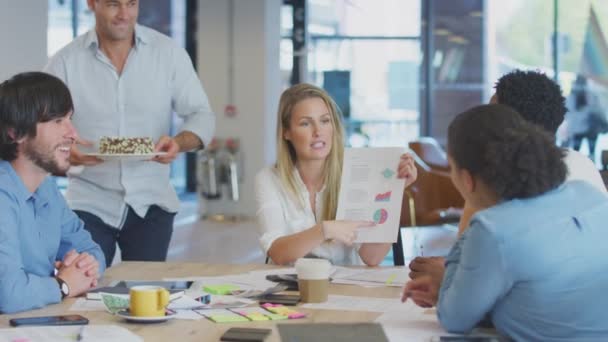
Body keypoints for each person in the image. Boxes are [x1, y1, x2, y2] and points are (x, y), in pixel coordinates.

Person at [402, 104, 608, 340]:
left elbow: (454, 319)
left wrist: (448, 282)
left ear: (467, 180)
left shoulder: (493, 229)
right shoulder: (587, 193)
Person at [44, 0, 215, 267]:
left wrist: (178, 143)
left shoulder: (167, 53)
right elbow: (44, 127)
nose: (124, 14)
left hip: (152, 200)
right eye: (113, 4)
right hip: (89, 199)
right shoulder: (65, 61)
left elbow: (201, 114)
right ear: (92, 3)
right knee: (86, 284)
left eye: (131, 3)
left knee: (144, 294)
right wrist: (66, 153)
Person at [409, 69, 606, 282]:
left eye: (490, 114)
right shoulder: (581, 164)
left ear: (505, 126)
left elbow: (471, 269)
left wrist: (447, 276)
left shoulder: (506, 178)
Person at [255, 83, 417, 266]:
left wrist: (394, 192)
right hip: (290, 290)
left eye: (325, 121)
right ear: (286, 132)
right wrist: (324, 230)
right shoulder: (269, 179)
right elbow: (278, 252)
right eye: (305, 123)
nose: (318, 132)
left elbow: (372, 257)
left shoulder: (355, 174)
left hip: (343, 289)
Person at [0, 72, 106, 313]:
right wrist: (63, 284)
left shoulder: (46, 188)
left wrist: (84, 266)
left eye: (69, 119)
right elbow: (9, 295)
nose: (73, 134)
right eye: (57, 121)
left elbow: (92, 251)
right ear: (15, 132)